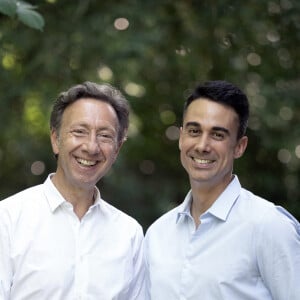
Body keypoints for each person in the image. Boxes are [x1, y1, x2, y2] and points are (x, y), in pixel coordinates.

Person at [144, 80, 300, 299]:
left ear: (239, 146)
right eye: (194, 131)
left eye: (217, 134)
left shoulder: (269, 227)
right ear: (181, 137)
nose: (202, 145)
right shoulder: (157, 235)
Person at [0, 81, 145, 299]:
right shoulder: (8, 219)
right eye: (79, 131)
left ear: (117, 149)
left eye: (105, 135)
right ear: (55, 140)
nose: (91, 147)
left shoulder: (129, 234)